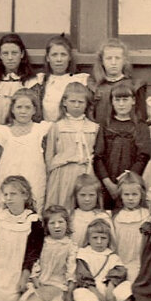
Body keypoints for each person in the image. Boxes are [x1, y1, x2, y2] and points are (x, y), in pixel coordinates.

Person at [0, 89, 49, 212]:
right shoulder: (2, 132)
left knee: (34, 209)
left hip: (34, 177)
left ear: (34, 110)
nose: (23, 111)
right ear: (12, 109)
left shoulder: (40, 130)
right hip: (8, 175)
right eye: (19, 107)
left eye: (28, 107)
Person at [43, 81, 99, 210]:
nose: (76, 105)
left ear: (87, 104)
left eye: (81, 102)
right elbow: (49, 155)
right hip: (62, 174)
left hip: (85, 172)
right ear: (64, 102)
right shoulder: (57, 126)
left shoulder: (94, 127)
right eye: (72, 101)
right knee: (63, 207)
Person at [95, 83, 151, 208]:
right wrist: (108, 183)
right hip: (107, 181)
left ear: (133, 101)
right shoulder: (105, 125)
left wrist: (126, 181)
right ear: (112, 102)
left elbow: (143, 157)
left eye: (125, 100)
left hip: (131, 184)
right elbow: (98, 157)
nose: (121, 104)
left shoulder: (140, 126)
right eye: (117, 100)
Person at [21, 205, 80, 301]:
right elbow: (35, 262)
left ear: (67, 223)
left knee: (52, 300)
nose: (57, 226)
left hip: (58, 283)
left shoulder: (70, 246)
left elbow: (71, 269)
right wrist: (35, 279)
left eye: (60, 222)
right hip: (40, 282)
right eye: (52, 223)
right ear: (46, 226)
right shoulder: (43, 243)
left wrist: (70, 289)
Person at [71, 216, 133, 301]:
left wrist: (109, 292)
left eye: (103, 238)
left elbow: (118, 275)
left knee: (128, 285)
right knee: (80, 292)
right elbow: (83, 277)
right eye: (95, 238)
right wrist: (99, 296)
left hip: (109, 289)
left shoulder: (112, 256)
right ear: (88, 239)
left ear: (109, 239)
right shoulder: (83, 254)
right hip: (91, 289)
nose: (99, 242)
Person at [35, 35, 87, 122]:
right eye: (54, 55)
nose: (59, 59)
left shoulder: (79, 80)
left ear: (69, 57)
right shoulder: (40, 81)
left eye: (63, 55)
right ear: (48, 58)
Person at [0, 33, 36, 123]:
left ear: (22, 54)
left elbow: (35, 114)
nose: (10, 58)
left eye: (14, 53)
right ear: (0, 55)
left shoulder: (31, 82)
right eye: (5, 53)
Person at [108, 173, 150, 276]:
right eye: (126, 194)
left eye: (134, 194)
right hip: (121, 262)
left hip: (141, 263)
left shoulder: (147, 216)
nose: (130, 198)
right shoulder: (116, 217)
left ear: (141, 195)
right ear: (120, 195)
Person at [67, 174, 107, 246]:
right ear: (76, 196)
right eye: (82, 195)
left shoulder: (103, 217)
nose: (87, 199)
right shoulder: (70, 216)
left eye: (91, 195)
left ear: (97, 196)